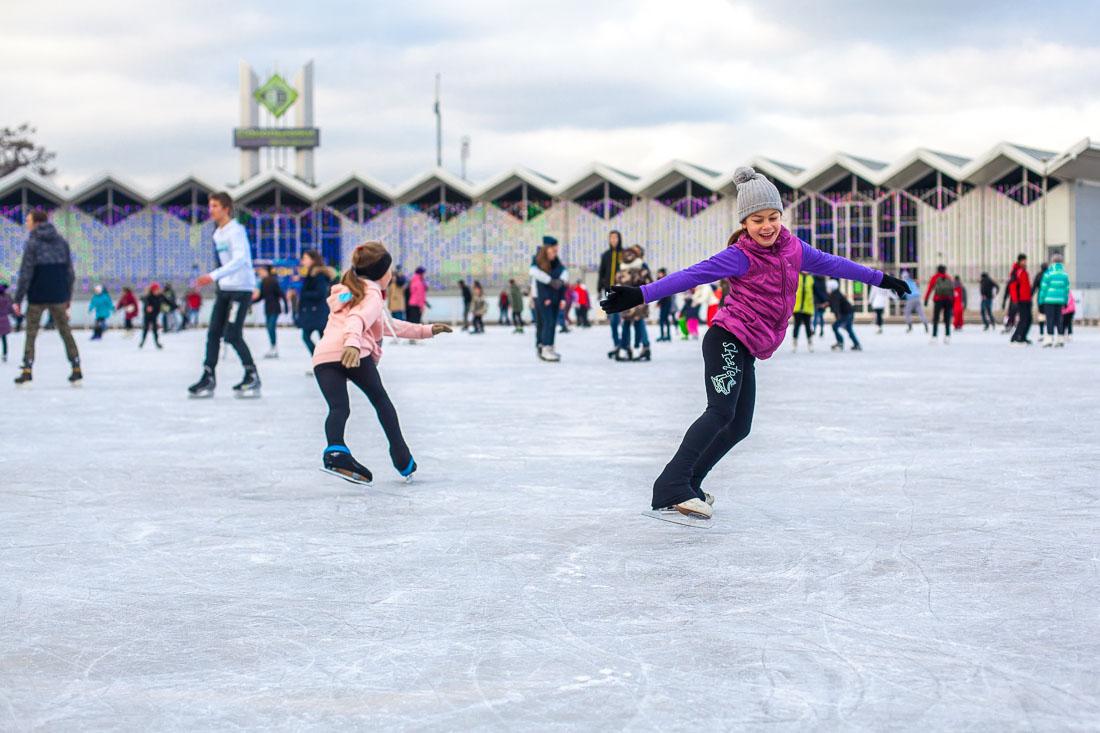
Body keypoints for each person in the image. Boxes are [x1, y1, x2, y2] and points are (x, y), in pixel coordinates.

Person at [600, 166, 908, 520]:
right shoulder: (740, 255)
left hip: (747, 346)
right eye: (757, 219)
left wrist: (882, 279)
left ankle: (691, 484)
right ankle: (671, 485)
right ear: (744, 223)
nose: (766, 226)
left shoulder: (795, 249)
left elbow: (835, 265)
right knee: (720, 411)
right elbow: (692, 275)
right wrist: (640, 293)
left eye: (773, 217)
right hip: (726, 338)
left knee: (739, 425)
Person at [312, 241, 452, 484]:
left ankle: (335, 451)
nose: (391, 275)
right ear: (381, 274)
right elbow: (357, 318)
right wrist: (353, 344)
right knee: (381, 401)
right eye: (389, 271)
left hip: (324, 356)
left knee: (339, 408)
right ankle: (402, 457)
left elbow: (390, 325)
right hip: (353, 352)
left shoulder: (348, 289)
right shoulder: (372, 293)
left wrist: (426, 330)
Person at [187, 192, 260, 398]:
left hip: (241, 289)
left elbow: (240, 260)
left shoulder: (236, 231)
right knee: (213, 333)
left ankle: (252, 374)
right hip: (225, 288)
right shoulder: (217, 233)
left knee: (232, 334)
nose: (211, 210)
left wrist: (212, 276)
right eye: (210, 206)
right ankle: (208, 376)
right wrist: (218, 279)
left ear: (226, 209)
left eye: (215, 206)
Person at [11, 209, 81, 386]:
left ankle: (27, 369)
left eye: (28, 220)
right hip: (58, 295)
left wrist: (18, 299)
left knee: (31, 333)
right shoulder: (61, 242)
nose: (26, 224)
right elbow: (70, 273)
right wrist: (67, 297)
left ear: (36, 222)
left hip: (37, 295)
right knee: (65, 331)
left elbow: (26, 273)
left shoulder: (32, 243)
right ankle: (76, 366)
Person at [531, 235, 568, 362]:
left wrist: (560, 283)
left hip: (552, 297)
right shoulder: (538, 261)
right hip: (541, 297)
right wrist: (551, 283)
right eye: (553, 249)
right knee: (544, 323)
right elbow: (538, 278)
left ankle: (547, 347)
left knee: (549, 322)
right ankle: (542, 346)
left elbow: (563, 274)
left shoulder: (555, 262)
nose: (555, 252)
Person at [616, 245, 652, 361]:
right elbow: (649, 283)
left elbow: (617, 284)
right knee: (638, 324)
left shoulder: (621, 268)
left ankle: (624, 349)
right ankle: (638, 348)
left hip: (626, 301)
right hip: (639, 300)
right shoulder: (641, 267)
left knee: (627, 325)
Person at [297, 249, 334, 356]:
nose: (302, 261)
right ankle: (321, 361)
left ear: (313, 260)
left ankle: (320, 360)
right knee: (318, 339)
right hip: (314, 312)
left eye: (305, 258)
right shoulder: (312, 274)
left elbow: (320, 293)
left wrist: (304, 294)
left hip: (317, 312)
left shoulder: (318, 275)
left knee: (311, 337)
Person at [598, 230, 626, 359]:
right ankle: (617, 344)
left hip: (623, 291)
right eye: (611, 238)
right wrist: (600, 288)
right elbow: (601, 272)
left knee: (625, 320)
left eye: (615, 238)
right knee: (614, 320)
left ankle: (625, 344)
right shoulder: (605, 255)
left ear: (619, 239)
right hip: (610, 291)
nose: (613, 240)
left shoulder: (624, 254)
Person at [1037, 254, 1071, 348]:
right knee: (1059, 319)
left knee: (1050, 319)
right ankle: (1060, 338)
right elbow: (1066, 289)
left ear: (1052, 262)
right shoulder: (1064, 275)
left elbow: (1043, 288)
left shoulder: (1048, 273)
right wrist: (1065, 300)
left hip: (1049, 300)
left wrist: (1041, 300)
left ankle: (1049, 338)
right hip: (1060, 300)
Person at [256, 265, 287, 358]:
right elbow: (261, 296)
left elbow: (281, 294)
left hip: (274, 308)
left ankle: (274, 348)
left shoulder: (273, 281)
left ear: (266, 271)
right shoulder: (263, 282)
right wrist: (250, 302)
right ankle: (273, 347)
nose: (259, 273)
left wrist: (286, 306)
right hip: (268, 308)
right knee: (269, 328)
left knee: (271, 327)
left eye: (261, 271)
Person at [923, 264, 955, 344]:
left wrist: (926, 299)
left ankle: (934, 336)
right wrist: (953, 302)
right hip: (948, 300)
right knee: (947, 318)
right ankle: (947, 336)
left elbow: (930, 288)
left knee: (936, 318)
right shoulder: (948, 277)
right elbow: (952, 290)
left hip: (938, 300)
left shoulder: (935, 277)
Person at [827, 280, 862, 351]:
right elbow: (834, 303)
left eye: (828, 288)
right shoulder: (836, 293)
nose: (827, 289)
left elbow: (836, 306)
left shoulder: (834, 295)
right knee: (849, 329)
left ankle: (840, 342)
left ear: (831, 288)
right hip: (849, 312)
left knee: (835, 326)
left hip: (846, 314)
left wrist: (837, 316)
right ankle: (857, 344)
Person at [1008, 254, 1033, 345]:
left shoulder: (1024, 271)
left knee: (1029, 319)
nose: (1025, 262)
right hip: (1021, 300)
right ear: (1019, 261)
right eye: (1023, 261)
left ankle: (1022, 336)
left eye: (1025, 261)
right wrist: (1015, 300)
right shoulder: (1016, 272)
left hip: (1027, 299)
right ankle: (1016, 337)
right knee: (1023, 319)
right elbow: (1013, 287)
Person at [791, 271, 815, 351]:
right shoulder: (797, 276)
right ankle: (794, 343)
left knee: (808, 327)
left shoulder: (811, 278)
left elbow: (816, 291)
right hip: (797, 307)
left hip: (807, 307)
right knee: (796, 326)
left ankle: (810, 343)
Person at [899, 269, 929, 333]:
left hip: (911, 298)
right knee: (921, 313)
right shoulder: (912, 281)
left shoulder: (904, 282)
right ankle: (926, 325)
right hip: (917, 297)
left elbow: (904, 293)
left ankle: (910, 326)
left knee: (907, 312)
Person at [140, 282, 165, 349]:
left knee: (155, 330)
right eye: (156, 289)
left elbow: (168, 301)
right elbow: (144, 300)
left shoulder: (160, 296)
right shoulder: (149, 296)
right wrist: (148, 306)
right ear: (153, 290)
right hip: (147, 316)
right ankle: (142, 342)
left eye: (158, 289)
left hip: (154, 315)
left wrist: (176, 307)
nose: (157, 291)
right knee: (145, 328)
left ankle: (157, 343)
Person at [655, 269, 674, 342]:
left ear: (663, 273)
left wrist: (659, 303)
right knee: (665, 320)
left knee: (663, 320)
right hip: (665, 302)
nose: (658, 274)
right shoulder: (661, 280)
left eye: (659, 273)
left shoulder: (664, 281)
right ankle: (666, 336)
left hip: (666, 303)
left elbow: (664, 294)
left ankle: (664, 336)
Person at [1032, 263, 1049, 338]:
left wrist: (1030, 295)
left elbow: (1034, 287)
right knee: (1049, 315)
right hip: (1049, 297)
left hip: (1041, 298)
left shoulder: (1038, 275)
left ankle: (1041, 332)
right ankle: (1049, 332)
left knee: (1041, 315)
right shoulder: (1050, 275)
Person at [0, 283, 12, 362]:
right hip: (4, 321)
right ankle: (5, 354)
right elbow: (11, 309)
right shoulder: (7, 299)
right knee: (4, 339)